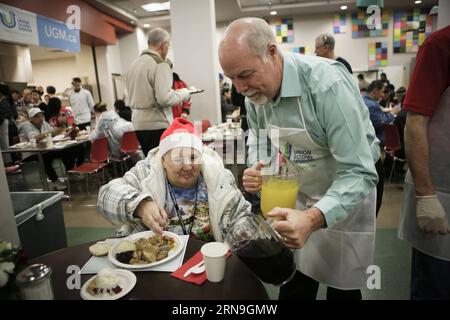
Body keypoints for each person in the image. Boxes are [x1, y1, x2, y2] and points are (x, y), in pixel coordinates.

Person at [219, 18, 379, 300]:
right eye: (232, 78)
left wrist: (314, 218)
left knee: (342, 283)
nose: (240, 87)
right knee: (296, 276)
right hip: (302, 189)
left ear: (271, 52)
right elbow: (258, 138)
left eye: (245, 74)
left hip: (347, 188)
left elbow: (359, 172)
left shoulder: (326, 84)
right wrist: (259, 165)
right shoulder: (254, 96)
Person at [97, 117, 251, 241]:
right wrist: (141, 205)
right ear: (163, 160)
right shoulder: (146, 173)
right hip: (154, 265)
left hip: (205, 263)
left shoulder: (218, 177)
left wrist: (241, 233)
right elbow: (105, 196)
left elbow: (241, 215)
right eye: (179, 159)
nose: (188, 166)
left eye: (193, 157)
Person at [398, 25, 450, 300]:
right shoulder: (440, 45)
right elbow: (415, 123)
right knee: (436, 285)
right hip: (441, 191)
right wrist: (426, 194)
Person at [125, 27, 191, 157]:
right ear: (164, 44)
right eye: (168, 45)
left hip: (138, 123)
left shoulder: (134, 64)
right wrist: (185, 93)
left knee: (150, 163)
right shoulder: (160, 64)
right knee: (163, 166)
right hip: (157, 123)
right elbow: (164, 98)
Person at [18, 108, 72, 190]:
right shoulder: (27, 126)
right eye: (37, 117)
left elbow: (53, 132)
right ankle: (55, 180)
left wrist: (60, 131)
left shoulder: (44, 123)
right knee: (45, 158)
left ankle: (70, 173)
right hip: (30, 153)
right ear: (31, 118)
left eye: (41, 116)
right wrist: (50, 133)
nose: (40, 118)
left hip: (45, 150)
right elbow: (34, 138)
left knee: (65, 151)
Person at [362, 80, 394, 147]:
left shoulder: (362, 100)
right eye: (382, 92)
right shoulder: (373, 106)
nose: (383, 95)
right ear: (375, 91)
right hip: (376, 141)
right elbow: (382, 123)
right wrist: (392, 113)